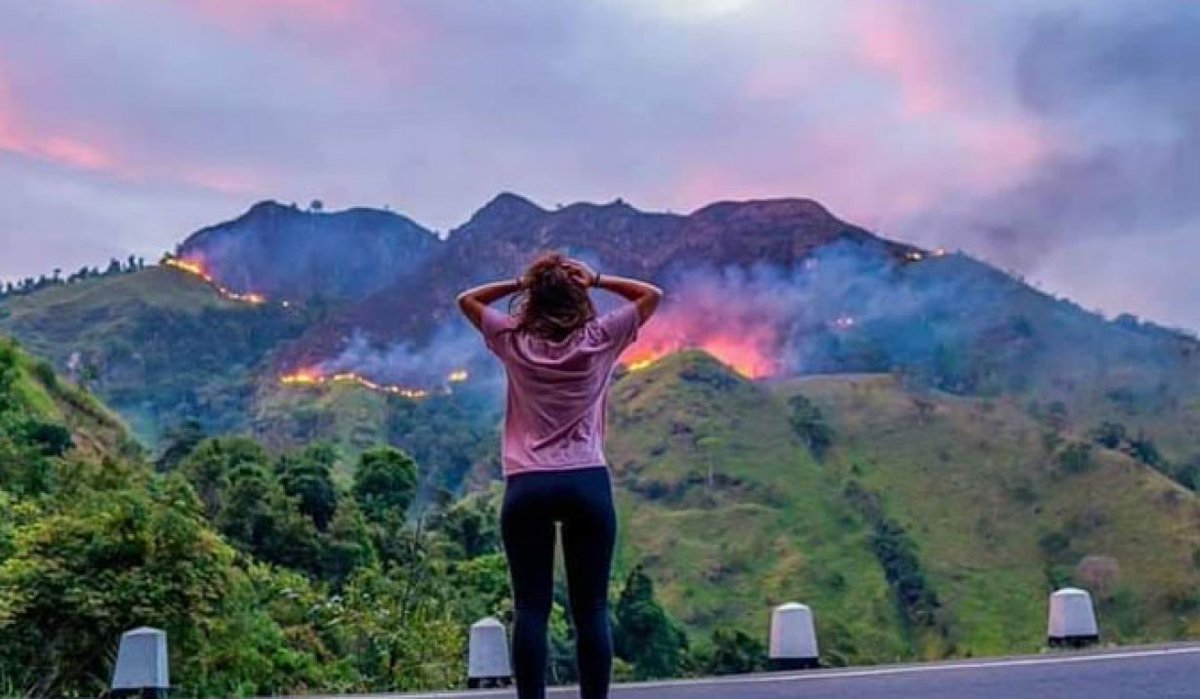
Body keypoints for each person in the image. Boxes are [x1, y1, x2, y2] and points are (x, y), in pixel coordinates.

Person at [457, 252, 662, 699]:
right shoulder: (600, 337)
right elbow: (651, 295)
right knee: (590, 609)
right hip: (586, 480)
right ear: (579, 297)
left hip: (527, 483)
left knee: (531, 607)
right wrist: (597, 279)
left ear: (533, 300)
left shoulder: (513, 338)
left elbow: (467, 299)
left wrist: (523, 282)